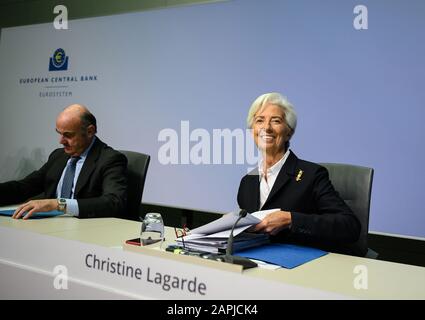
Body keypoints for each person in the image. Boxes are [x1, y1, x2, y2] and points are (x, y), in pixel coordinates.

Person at [237, 93, 361, 255]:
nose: (266, 127)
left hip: (299, 267)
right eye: (259, 120)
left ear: (289, 132)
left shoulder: (312, 175)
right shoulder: (247, 182)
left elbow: (349, 226)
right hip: (255, 264)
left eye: (276, 121)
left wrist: (291, 220)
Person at [0, 104, 128, 219]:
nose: (61, 141)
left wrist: (58, 204)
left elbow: (114, 202)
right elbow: (25, 186)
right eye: (59, 133)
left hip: (86, 231)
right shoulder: (58, 156)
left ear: (90, 131)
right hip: (51, 226)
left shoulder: (110, 159)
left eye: (68, 135)